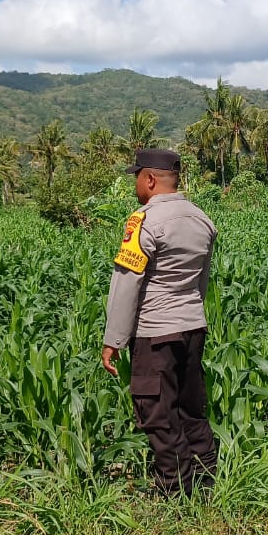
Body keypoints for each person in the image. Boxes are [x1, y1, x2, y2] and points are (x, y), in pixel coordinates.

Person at [102, 148, 218, 496]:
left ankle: (175, 490)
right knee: (190, 409)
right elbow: (202, 281)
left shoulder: (143, 221)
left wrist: (114, 339)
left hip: (156, 333)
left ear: (149, 179)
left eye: (136, 177)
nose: (135, 185)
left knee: (158, 413)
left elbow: (127, 284)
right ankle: (206, 481)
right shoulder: (201, 219)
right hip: (193, 326)